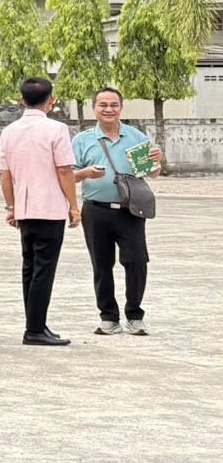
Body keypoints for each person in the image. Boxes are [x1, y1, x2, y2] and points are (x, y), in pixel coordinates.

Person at [0, 75, 82, 347]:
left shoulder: (9, 131)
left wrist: (11, 206)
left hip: (24, 208)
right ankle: (35, 329)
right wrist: (74, 206)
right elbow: (64, 170)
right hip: (50, 208)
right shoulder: (56, 129)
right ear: (51, 101)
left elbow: (5, 174)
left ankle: (35, 324)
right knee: (44, 269)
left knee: (30, 267)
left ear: (22, 100)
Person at [73, 86, 161, 337]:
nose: (108, 109)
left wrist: (157, 161)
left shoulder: (135, 136)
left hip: (130, 210)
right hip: (95, 211)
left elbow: (152, 173)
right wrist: (86, 173)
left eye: (114, 105)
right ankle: (108, 317)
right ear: (94, 108)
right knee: (101, 264)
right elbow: (68, 175)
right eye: (103, 105)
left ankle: (135, 315)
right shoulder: (82, 140)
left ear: (121, 108)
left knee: (137, 262)